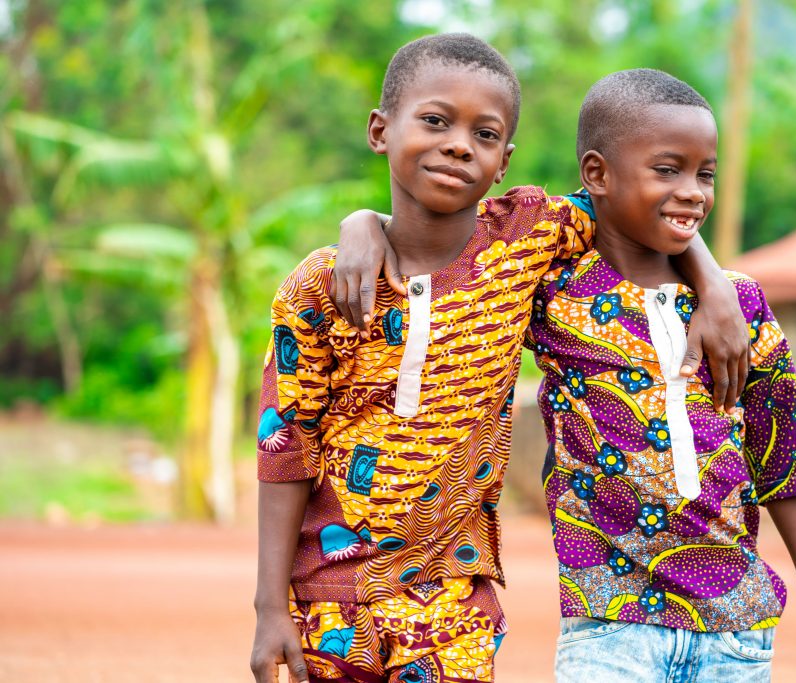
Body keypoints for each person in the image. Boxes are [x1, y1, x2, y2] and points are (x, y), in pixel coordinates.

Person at [250, 35, 747, 683]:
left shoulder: (527, 238)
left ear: (504, 161)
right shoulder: (319, 286)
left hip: (454, 598)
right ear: (380, 129)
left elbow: (640, 203)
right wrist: (269, 607)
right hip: (327, 600)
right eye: (434, 121)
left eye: (483, 134)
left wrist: (712, 281)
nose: (459, 144)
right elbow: (286, 448)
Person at [526, 70, 796, 683]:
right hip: (608, 624)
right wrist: (364, 222)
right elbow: (465, 243)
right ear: (597, 175)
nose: (693, 192)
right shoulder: (554, 290)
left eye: (705, 174)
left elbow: (784, 459)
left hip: (736, 630)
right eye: (667, 169)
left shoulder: (743, 306)